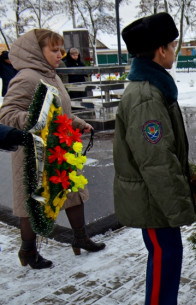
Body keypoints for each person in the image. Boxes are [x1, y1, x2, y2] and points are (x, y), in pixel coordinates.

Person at [0, 29, 105, 269]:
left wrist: (78, 123)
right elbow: (6, 115)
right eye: (54, 50)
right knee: (32, 203)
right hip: (35, 154)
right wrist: (41, 119)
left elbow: (61, 112)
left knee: (73, 193)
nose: (61, 55)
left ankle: (80, 238)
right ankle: (27, 251)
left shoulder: (52, 75)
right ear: (37, 51)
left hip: (60, 150)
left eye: (61, 50)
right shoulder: (26, 77)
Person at [115, 12, 196, 305]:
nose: (174, 50)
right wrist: (179, 208)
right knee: (166, 256)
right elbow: (156, 161)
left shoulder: (153, 87)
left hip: (154, 197)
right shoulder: (146, 97)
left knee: (165, 255)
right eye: (173, 45)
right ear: (161, 49)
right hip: (154, 199)